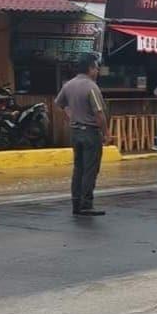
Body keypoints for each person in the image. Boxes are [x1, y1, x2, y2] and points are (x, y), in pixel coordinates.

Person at [55, 53, 111, 216]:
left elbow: (58, 103)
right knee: (90, 169)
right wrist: (106, 133)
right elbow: (99, 113)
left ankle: (76, 203)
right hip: (90, 132)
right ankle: (86, 204)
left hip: (75, 132)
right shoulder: (91, 87)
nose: (97, 70)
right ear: (90, 69)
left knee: (78, 168)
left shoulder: (69, 85)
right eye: (96, 67)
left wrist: (70, 115)